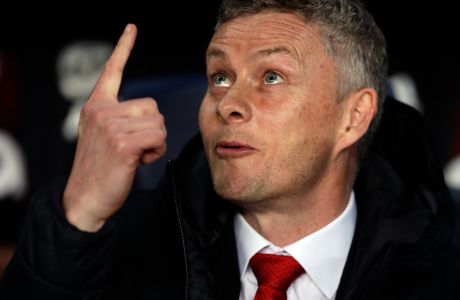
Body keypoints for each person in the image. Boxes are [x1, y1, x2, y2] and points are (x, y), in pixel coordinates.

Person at [1, 0, 459, 299]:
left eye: (271, 77)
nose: (229, 105)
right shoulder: (126, 245)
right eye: (220, 77)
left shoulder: (442, 268)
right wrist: (79, 215)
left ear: (353, 117)